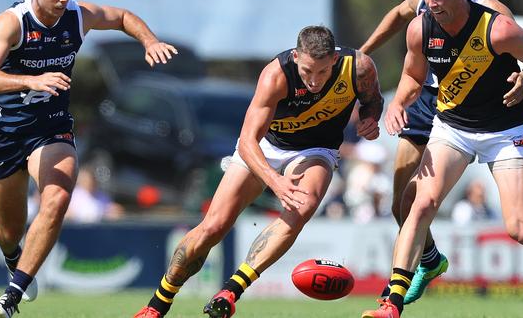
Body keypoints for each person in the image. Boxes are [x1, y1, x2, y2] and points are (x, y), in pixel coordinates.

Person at [362, 0, 523, 317]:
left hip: (504, 130)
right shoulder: (421, 26)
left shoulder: (496, 24)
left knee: (520, 229)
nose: (431, 4)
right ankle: (392, 303)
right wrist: (398, 103)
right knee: (416, 203)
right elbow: (411, 76)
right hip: (453, 126)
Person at [0, 0, 177, 317]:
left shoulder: (77, 16)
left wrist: (149, 41)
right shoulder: (12, 23)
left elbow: (123, 17)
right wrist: (31, 80)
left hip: (51, 129)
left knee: (57, 197)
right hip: (4, 134)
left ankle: (11, 295)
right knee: (7, 228)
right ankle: (13, 257)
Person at [133, 25, 384, 318]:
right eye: (307, 72)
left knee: (302, 206)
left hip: (316, 148)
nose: (314, 81)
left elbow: (373, 101)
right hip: (265, 146)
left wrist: (370, 119)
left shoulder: (359, 68)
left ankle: (231, 291)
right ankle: (157, 305)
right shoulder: (276, 75)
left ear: (335, 61)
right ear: (295, 56)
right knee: (213, 227)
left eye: (322, 72)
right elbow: (248, 140)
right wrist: (275, 181)